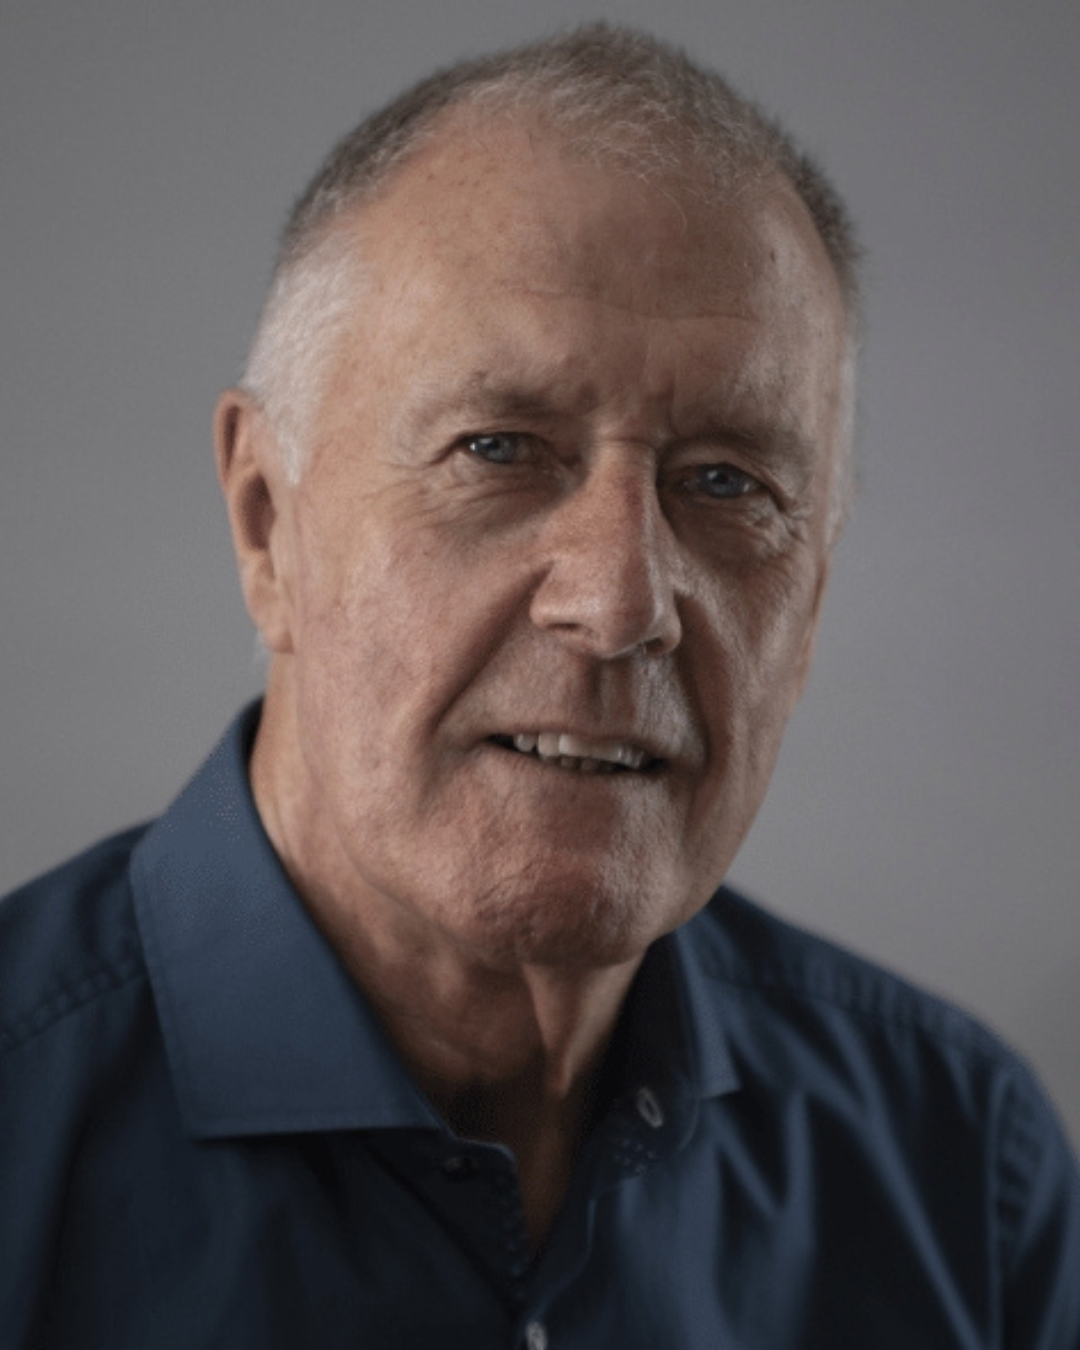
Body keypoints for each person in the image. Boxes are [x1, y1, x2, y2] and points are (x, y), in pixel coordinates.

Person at [1, 23, 1077, 1349]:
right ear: (269, 523)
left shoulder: (964, 1168)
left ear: (812, 604)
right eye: (500, 448)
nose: (623, 602)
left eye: (729, 483)